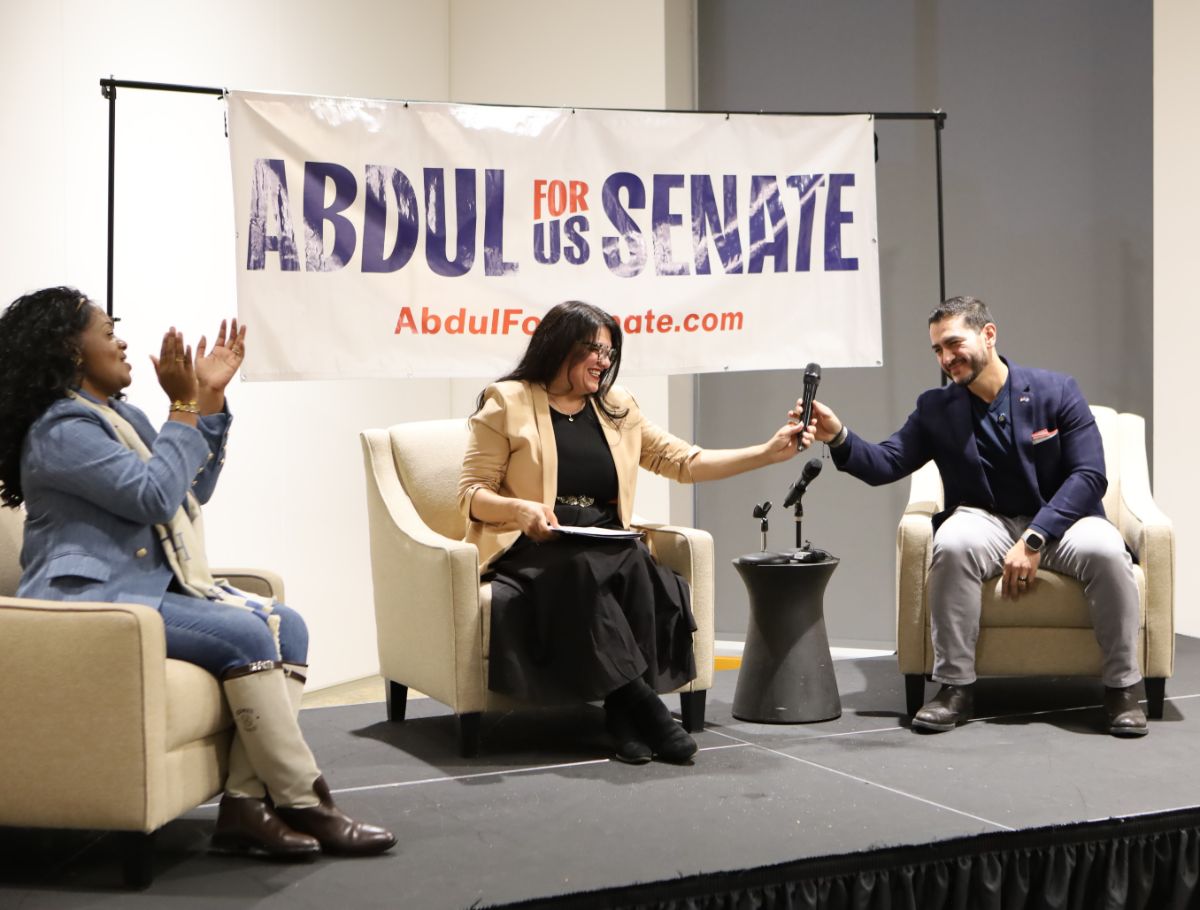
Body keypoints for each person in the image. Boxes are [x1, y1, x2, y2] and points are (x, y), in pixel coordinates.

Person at [0, 287, 397, 860]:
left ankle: (243, 806)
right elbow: (154, 496)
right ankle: (307, 801)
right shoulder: (60, 430)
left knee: (290, 624)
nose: (123, 341)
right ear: (70, 348)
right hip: (90, 601)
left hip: (142, 589)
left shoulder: (120, 416)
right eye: (108, 333)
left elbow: (190, 488)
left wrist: (207, 399)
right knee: (249, 633)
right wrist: (182, 409)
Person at [459, 300, 814, 764]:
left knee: (636, 564)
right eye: (594, 351)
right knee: (586, 566)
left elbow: (684, 461)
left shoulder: (617, 406)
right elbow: (471, 493)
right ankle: (646, 708)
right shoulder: (507, 401)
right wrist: (519, 508)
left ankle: (622, 720)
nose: (604, 362)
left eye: (609, 353)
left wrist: (766, 454)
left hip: (606, 539)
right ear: (559, 345)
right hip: (535, 543)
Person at [805, 295, 1146, 737]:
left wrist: (1036, 537)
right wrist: (838, 437)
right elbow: (885, 463)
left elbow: (1089, 475)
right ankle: (954, 689)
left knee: (1105, 549)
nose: (946, 359)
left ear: (988, 334)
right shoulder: (936, 408)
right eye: (938, 350)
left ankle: (1123, 690)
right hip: (986, 520)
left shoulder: (1056, 390)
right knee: (953, 543)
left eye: (953, 344)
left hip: (1062, 519)